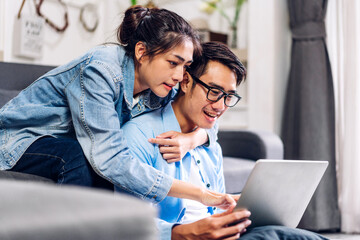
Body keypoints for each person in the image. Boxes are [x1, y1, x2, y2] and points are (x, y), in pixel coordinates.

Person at [0, 6, 234, 209]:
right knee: (77, 158)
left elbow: (206, 113)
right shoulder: (100, 70)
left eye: (186, 66)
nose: (179, 75)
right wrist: (199, 194)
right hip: (19, 139)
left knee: (89, 160)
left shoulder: (162, 84)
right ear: (142, 52)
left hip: (72, 142)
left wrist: (190, 140)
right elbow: (109, 159)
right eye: (173, 63)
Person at [122, 42, 329, 240]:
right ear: (185, 82)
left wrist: (230, 210)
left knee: (286, 233)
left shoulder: (209, 144)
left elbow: (213, 208)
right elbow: (129, 224)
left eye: (229, 96)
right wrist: (189, 233)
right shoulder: (140, 136)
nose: (220, 106)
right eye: (214, 92)